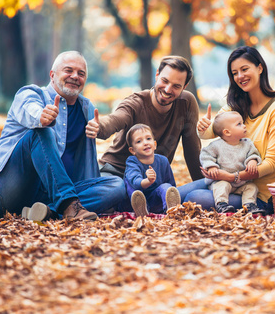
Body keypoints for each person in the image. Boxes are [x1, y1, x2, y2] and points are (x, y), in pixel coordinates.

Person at [0, 51, 127, 221]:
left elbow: (87, 167)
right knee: (41, 132)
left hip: (47, 196)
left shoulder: (86, 108)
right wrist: (41, 117)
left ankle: (46, 211)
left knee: (116, 186)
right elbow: (29, 109)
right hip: (7, 191)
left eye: (81, 74)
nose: (75, 76)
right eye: (68, 70)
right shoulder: (30, 94)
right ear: (52, 75)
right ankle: (67, 206)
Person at [182, 46, 275, 214]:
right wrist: (202, 127)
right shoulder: (237, 104)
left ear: (260, 68)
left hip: (257, 194)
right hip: (226, 181)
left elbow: (273, 163)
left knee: (193, 196)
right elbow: (211, 131)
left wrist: (231, 177)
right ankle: (142, 200)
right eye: (235, 73)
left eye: (244, 69)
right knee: (178, 192)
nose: (240, 76)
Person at [85, 55, 202, 212]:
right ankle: (65, 206)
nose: (168, 90)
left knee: (205, 185)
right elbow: (115, 119)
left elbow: (193, 151)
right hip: (117, 176)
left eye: (176, 86)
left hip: (154, 183)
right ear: (157, 75)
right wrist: (99, 127)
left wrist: (205, 184)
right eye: (165, 81)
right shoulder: (135, 103)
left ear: (185, 86)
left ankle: (143, 205)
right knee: (118, 190)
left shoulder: (186, 103)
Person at [200, 111, 264, 214]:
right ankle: (222, 204)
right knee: (222, 186)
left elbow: (253, 154)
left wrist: (252, 161)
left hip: (241, 183)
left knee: (252, 187)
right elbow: (206, 155)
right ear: (227, 132)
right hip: (221, 180)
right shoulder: (216, 146)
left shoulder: (247, 144)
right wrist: (211, 167)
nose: (244, 126)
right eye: (239, 124)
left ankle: (249, 205)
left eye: (242, 123)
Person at [124, 124, 181, 217]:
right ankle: (141, 208)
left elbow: (171, 184)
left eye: (148, 139)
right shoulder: (132, 161)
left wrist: (169, 192)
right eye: (139, 141)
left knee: (166, 187)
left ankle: (171, 209)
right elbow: (135, 181)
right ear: (132, 150)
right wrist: (147, 181)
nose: (145, 143)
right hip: (134, 200)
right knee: (129, 183)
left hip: (155, 200)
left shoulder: (163, 161)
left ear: (154, 144)